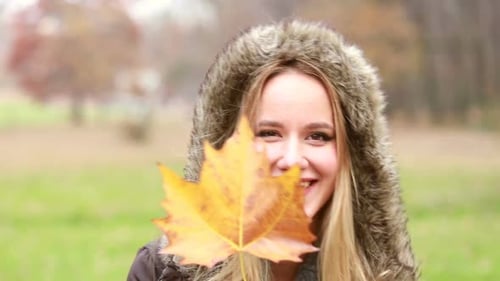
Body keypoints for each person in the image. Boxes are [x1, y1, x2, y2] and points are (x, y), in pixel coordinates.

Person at [127, 20, 418, 281]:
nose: (292, 160)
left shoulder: (379, 276)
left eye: (318, 136)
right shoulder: (163, 272)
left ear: (351, 155)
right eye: (268, 134)